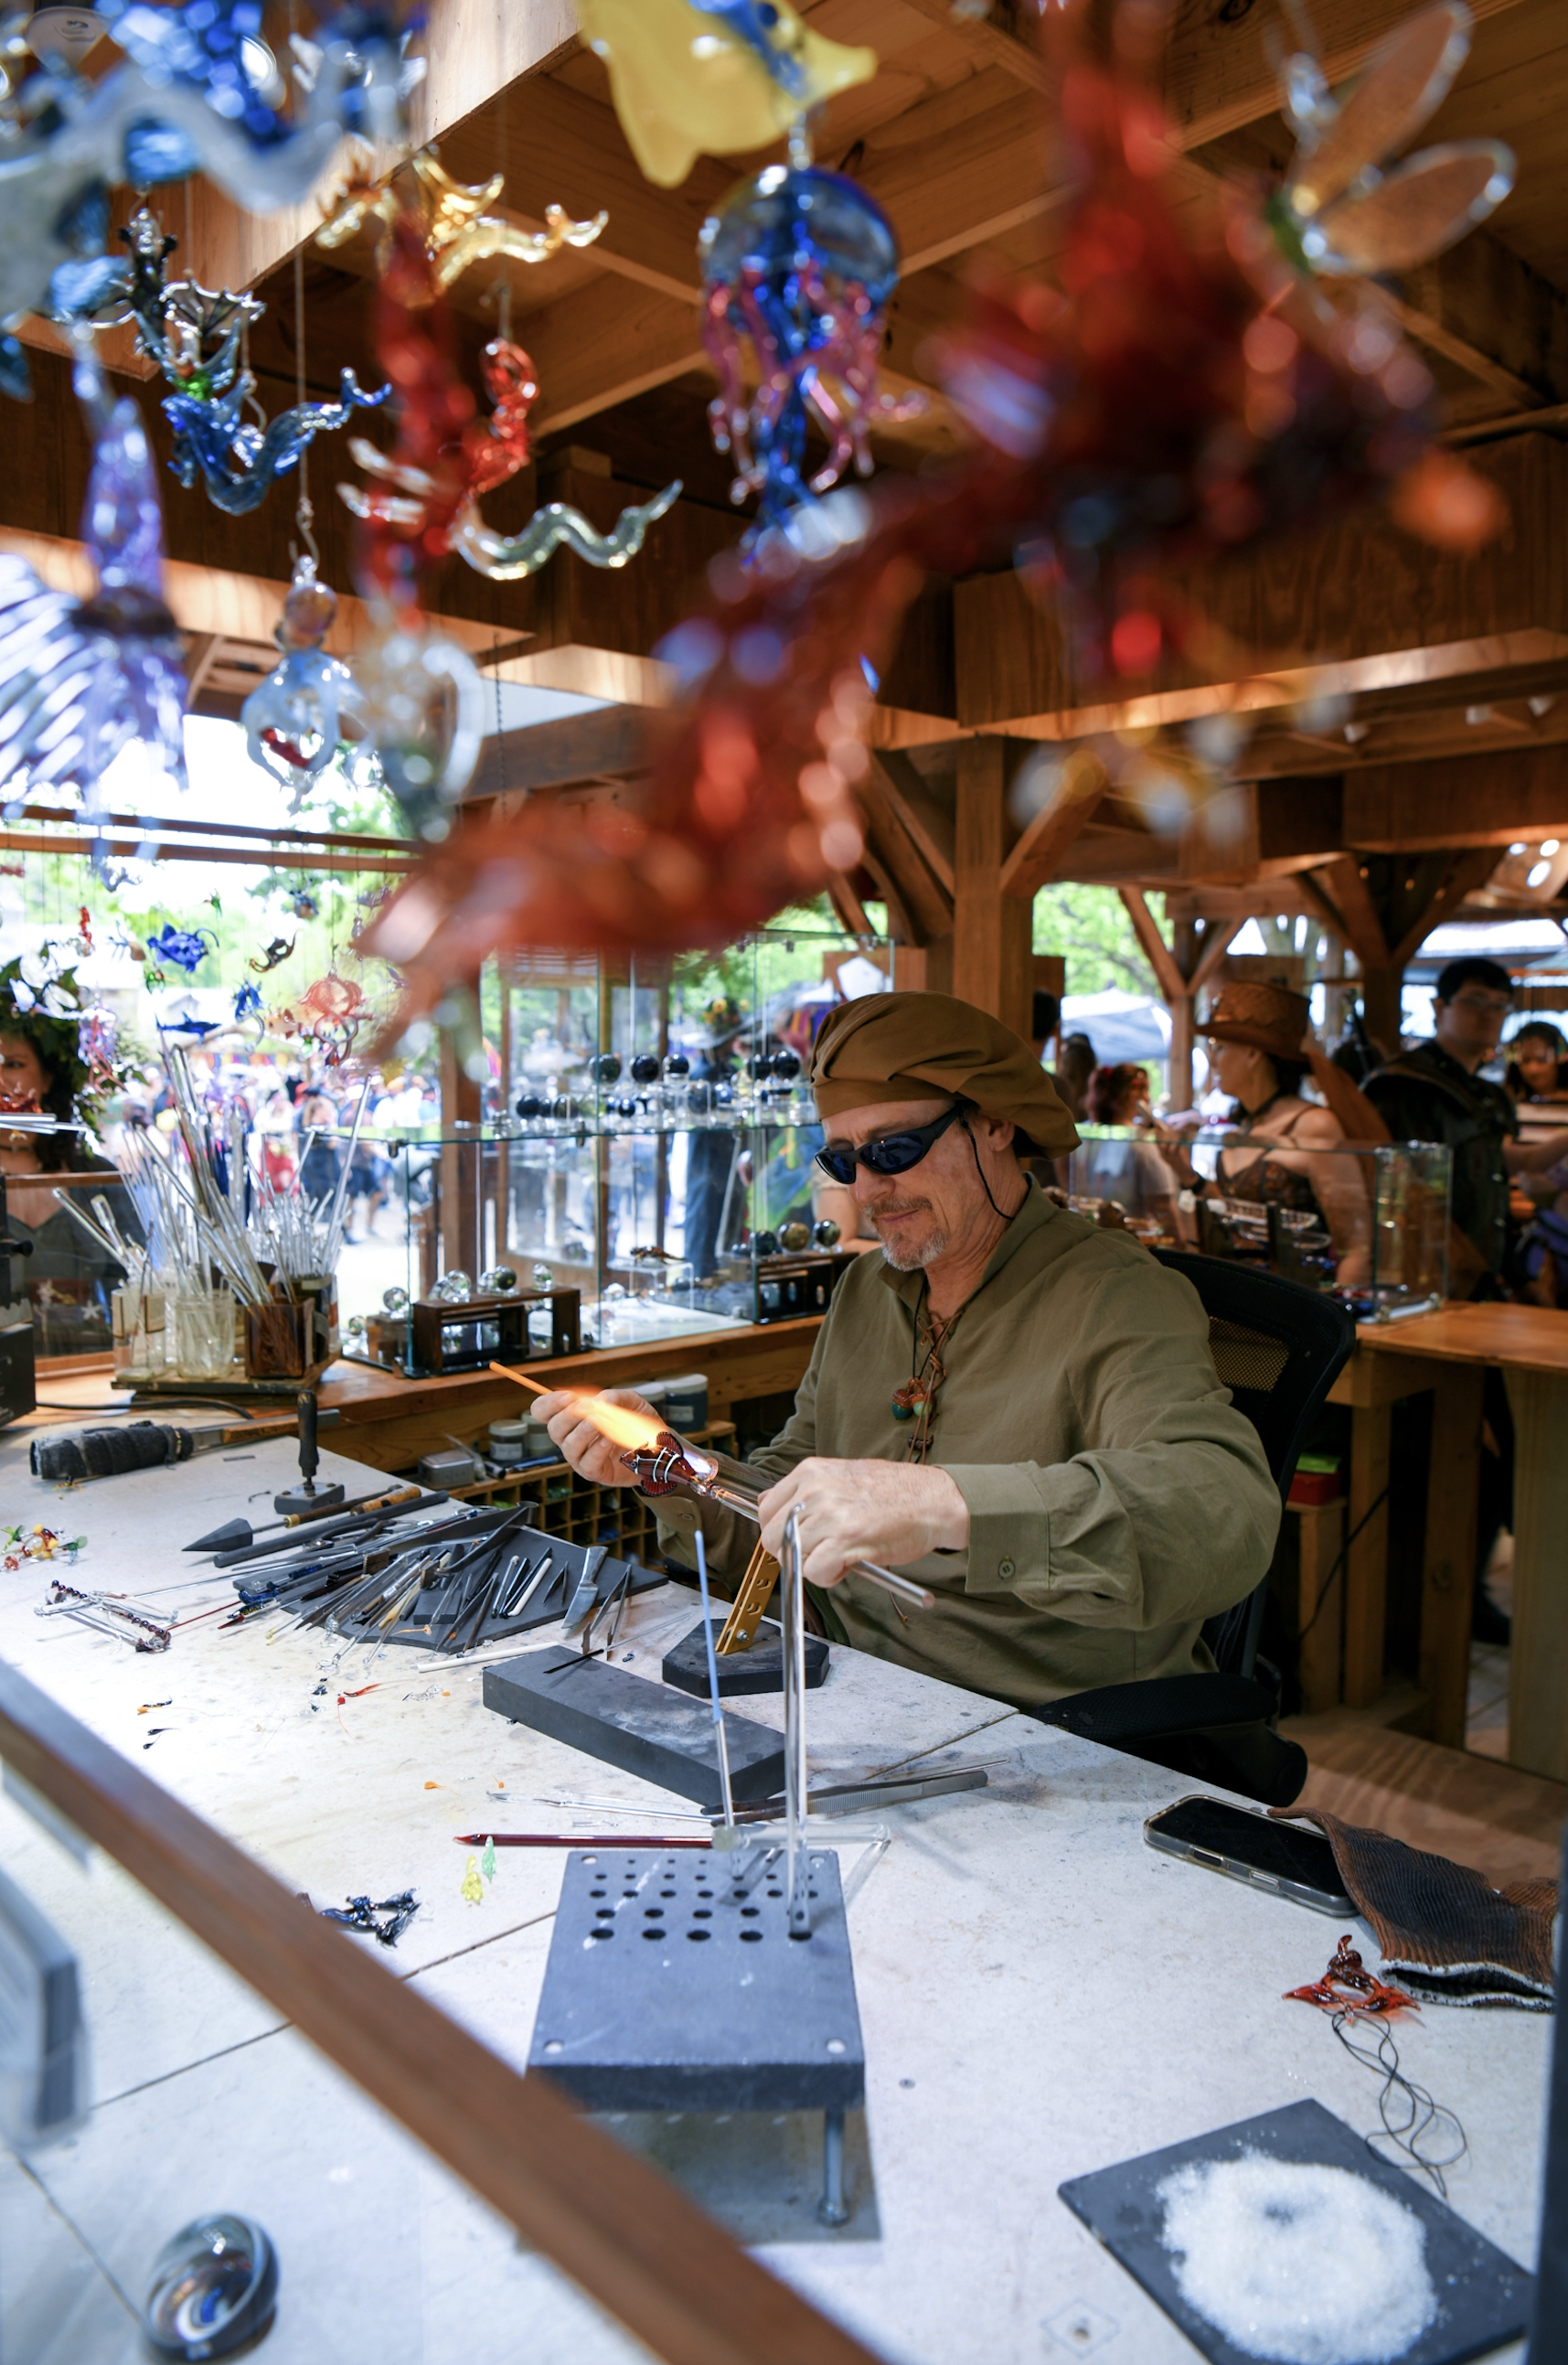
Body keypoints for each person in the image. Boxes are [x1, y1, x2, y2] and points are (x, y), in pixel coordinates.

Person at [537, 990, 1280, 1712]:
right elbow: (781, 1508)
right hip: (849, 1683)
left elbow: (1221, 1511)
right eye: (841, 1161)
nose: (867, 1188)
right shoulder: (866, 1288)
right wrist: (665, 1465)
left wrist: (948, 1504)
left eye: (894, 1148)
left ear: (993, 1123)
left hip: (1039, 1724)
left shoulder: (1115, 1295)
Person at [1363, 958, 1568, 1290]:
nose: (1488, 1014)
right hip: (1420, 1268)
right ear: (1439, 1007)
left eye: (1500, 1005)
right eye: (1474, 1000)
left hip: (1480, 1271)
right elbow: (1396, 1185)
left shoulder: (1489, 1094)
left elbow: (1512, 1160)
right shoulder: (1404, 1083)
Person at [1179, 981, 1371, 1290]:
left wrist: (1335, 1325)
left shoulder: (1314, 1125)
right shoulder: (1246, 1126)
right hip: (1237, 1301)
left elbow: (1356, 1243)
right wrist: (1187, 1175)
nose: (1212, 1059)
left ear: (1254, 1054)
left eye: (1220, 1046)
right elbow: (1239, 1213)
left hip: (1296, 1310)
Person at [0, 960, 131, 1353]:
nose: (0, 1078)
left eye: (14, 1064)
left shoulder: (93, 1177)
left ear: (48, 1076)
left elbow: (139, 1287)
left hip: (92, 1379)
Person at [1078, 1063, 1183, 1234]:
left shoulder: (1092, 1138)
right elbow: (1163, 1205)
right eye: (1144, 1090)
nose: (1148, 1098)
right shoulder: (1143, 1143)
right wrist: (1182, 1244)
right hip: (1138, 1241)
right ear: (1132, 1095)